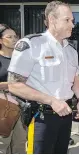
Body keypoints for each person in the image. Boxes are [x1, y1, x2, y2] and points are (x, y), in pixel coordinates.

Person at [7, 1, 79, 154]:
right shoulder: (32, 45)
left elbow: (75, 79)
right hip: (41, 117)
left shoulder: (71, 51)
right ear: (52, 20)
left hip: (66, 115)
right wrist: (51, 100)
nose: (73, 25)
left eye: (73, 20)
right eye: (67, 20)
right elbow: (14, 85)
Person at [0, 24, 27, 154]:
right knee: (2, 144)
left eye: (15, 36)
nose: (14, 39)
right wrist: (11, 85)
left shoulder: (21, 59)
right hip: (2, 107)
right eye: (9, 37)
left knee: (20, 144)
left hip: (21, 107)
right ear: (0, 40)